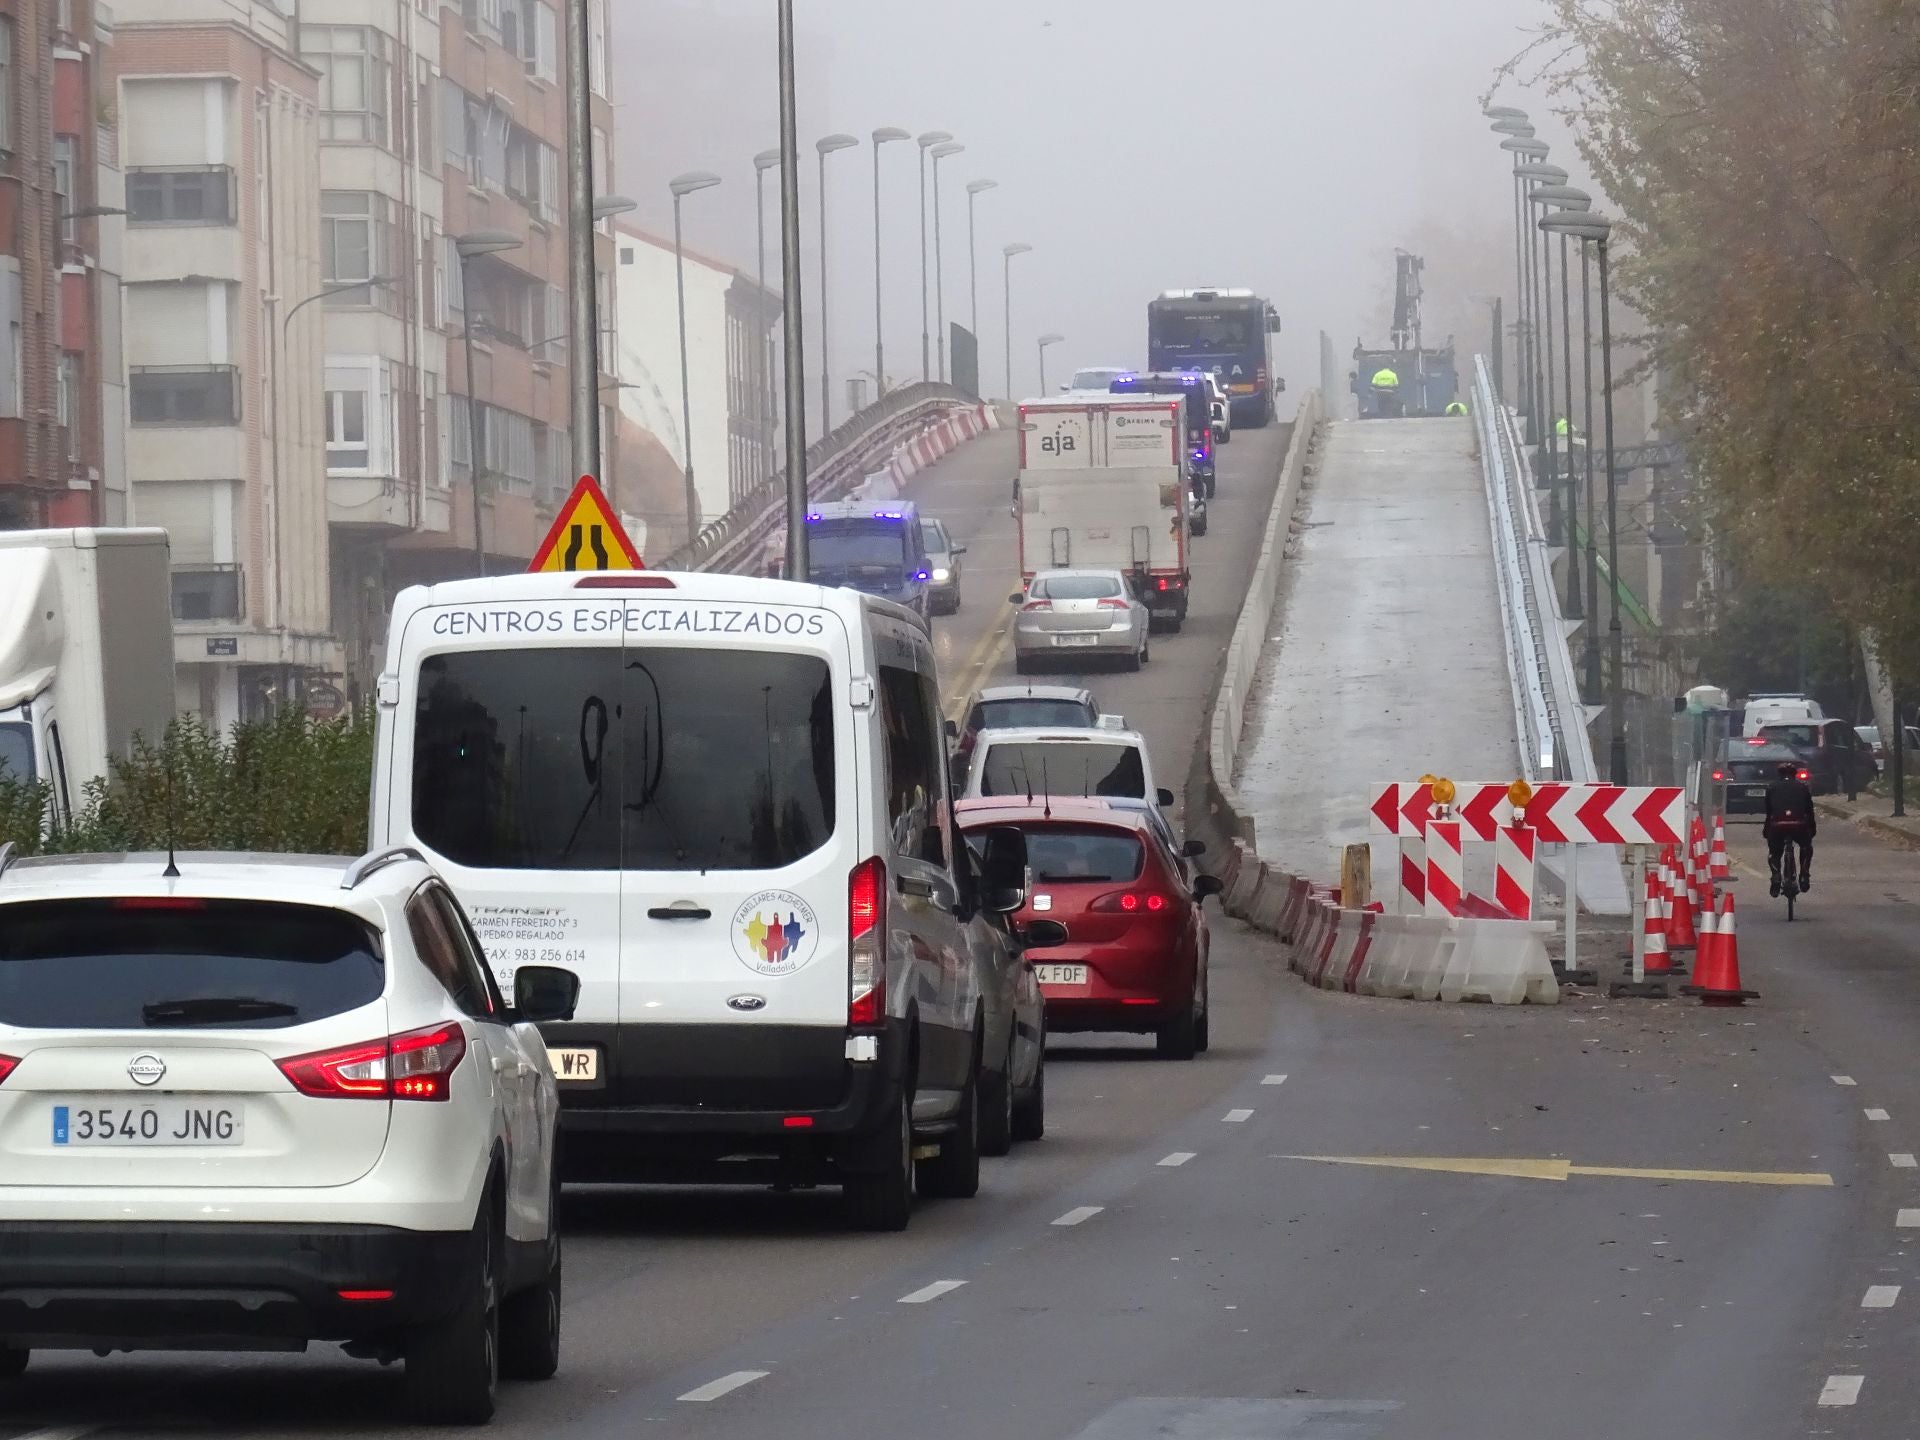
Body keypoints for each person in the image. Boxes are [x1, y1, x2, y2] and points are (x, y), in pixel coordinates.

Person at [1763, 759, 1817, 896]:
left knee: (1774, 851)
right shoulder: (1802, 787)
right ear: (1795, 774)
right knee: (1806, 847)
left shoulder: (1772, 787)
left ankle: (1776, 875)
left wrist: (1767, 829)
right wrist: (1812, 828)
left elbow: (1769, 812)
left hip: (1777, 826)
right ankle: (1804, 874)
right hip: (1799, 825)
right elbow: (1809, 810)